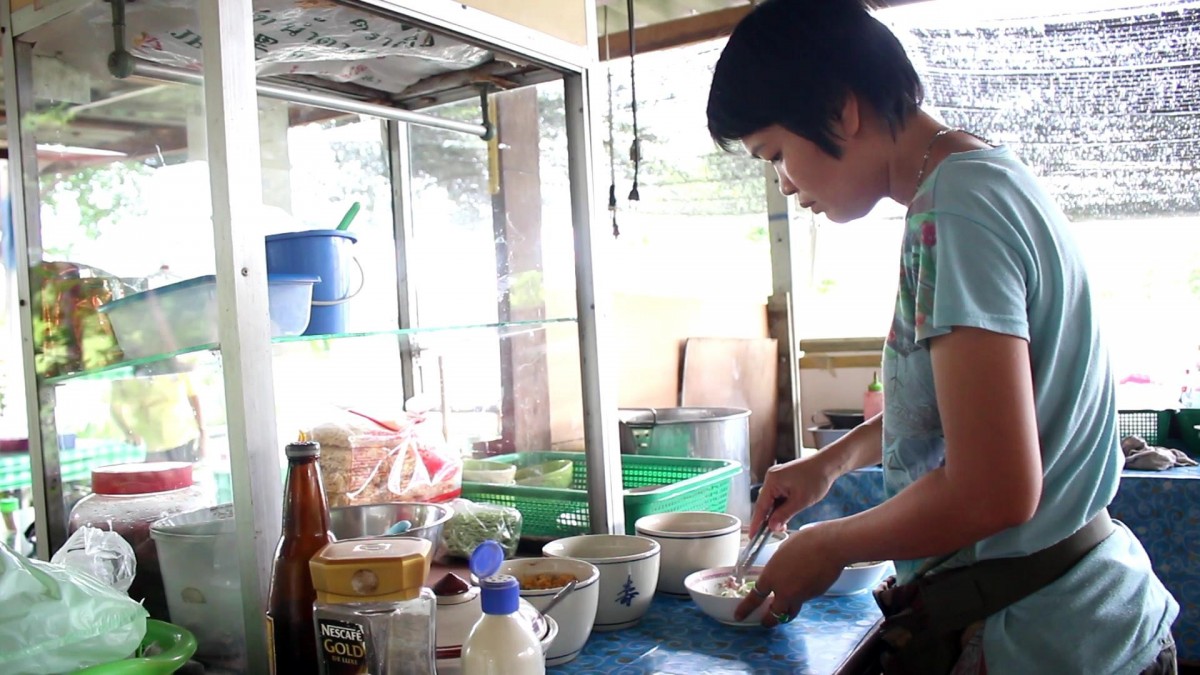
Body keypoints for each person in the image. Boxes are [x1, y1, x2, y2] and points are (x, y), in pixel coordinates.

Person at [706, 1, 1178, 673]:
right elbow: (966, 416)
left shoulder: (957, 209)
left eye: (778, 153)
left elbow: (994, 489)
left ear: (842, 110)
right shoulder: (976, 178)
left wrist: (829, 543)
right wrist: (831, 464)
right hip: (1085, 615)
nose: (784, 183)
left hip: (1054, 639)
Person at [109, 361, 205, 464]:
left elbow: (194, 396)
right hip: (152, 445)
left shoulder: (175, 365)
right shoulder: (124, 374)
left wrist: (203, 434)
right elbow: (115, 408)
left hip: (185, 439)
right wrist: (128, 432)